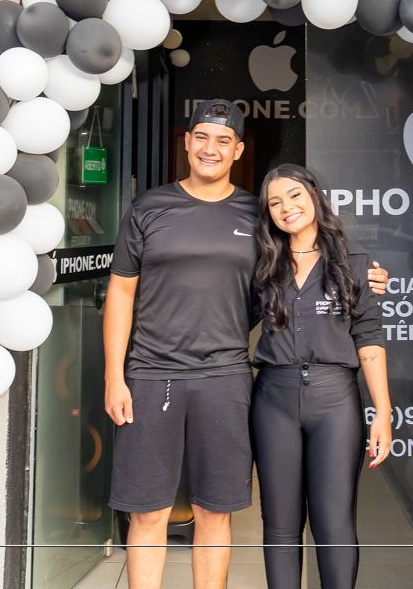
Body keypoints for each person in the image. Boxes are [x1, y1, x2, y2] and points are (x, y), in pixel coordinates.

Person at [104, 99, 388, 589]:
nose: (210, 148)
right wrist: (115, 374)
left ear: (237, 150)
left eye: (223, 140)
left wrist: (365, 276)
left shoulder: (257, 216)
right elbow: (121, 291)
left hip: (226, 378)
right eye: (201, 137)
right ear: (186, 142)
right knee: (147, 512)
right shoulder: (148, 207)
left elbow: (305, 257)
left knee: (215, 512)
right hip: (151, 374)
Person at [251, 163, 392, 589]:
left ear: (314, 194)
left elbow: (369, 339)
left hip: (335, 401)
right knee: (280, 525)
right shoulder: (262, 262)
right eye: (275, 202)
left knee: (333, 525)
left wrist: (383, 413)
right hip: (273, 398)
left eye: (294, 195)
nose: (286, 208)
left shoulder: (355, 261)